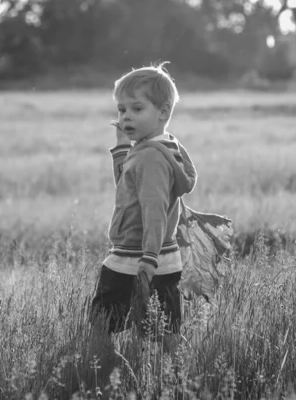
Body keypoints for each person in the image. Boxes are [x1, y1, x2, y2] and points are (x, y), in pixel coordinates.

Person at [90, 62, 198, 337]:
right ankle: (167, 377)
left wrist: (148, 259)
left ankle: (99, 372)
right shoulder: (161, 147)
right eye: (122, 109)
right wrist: (122, 147)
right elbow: (127, 188)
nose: (126, 117)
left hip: (135, 259)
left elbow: (154, 210)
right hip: (164, 258)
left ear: (162, 112)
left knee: (102, 330)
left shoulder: (150, 157)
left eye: (137, 109)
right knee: (162, 335)